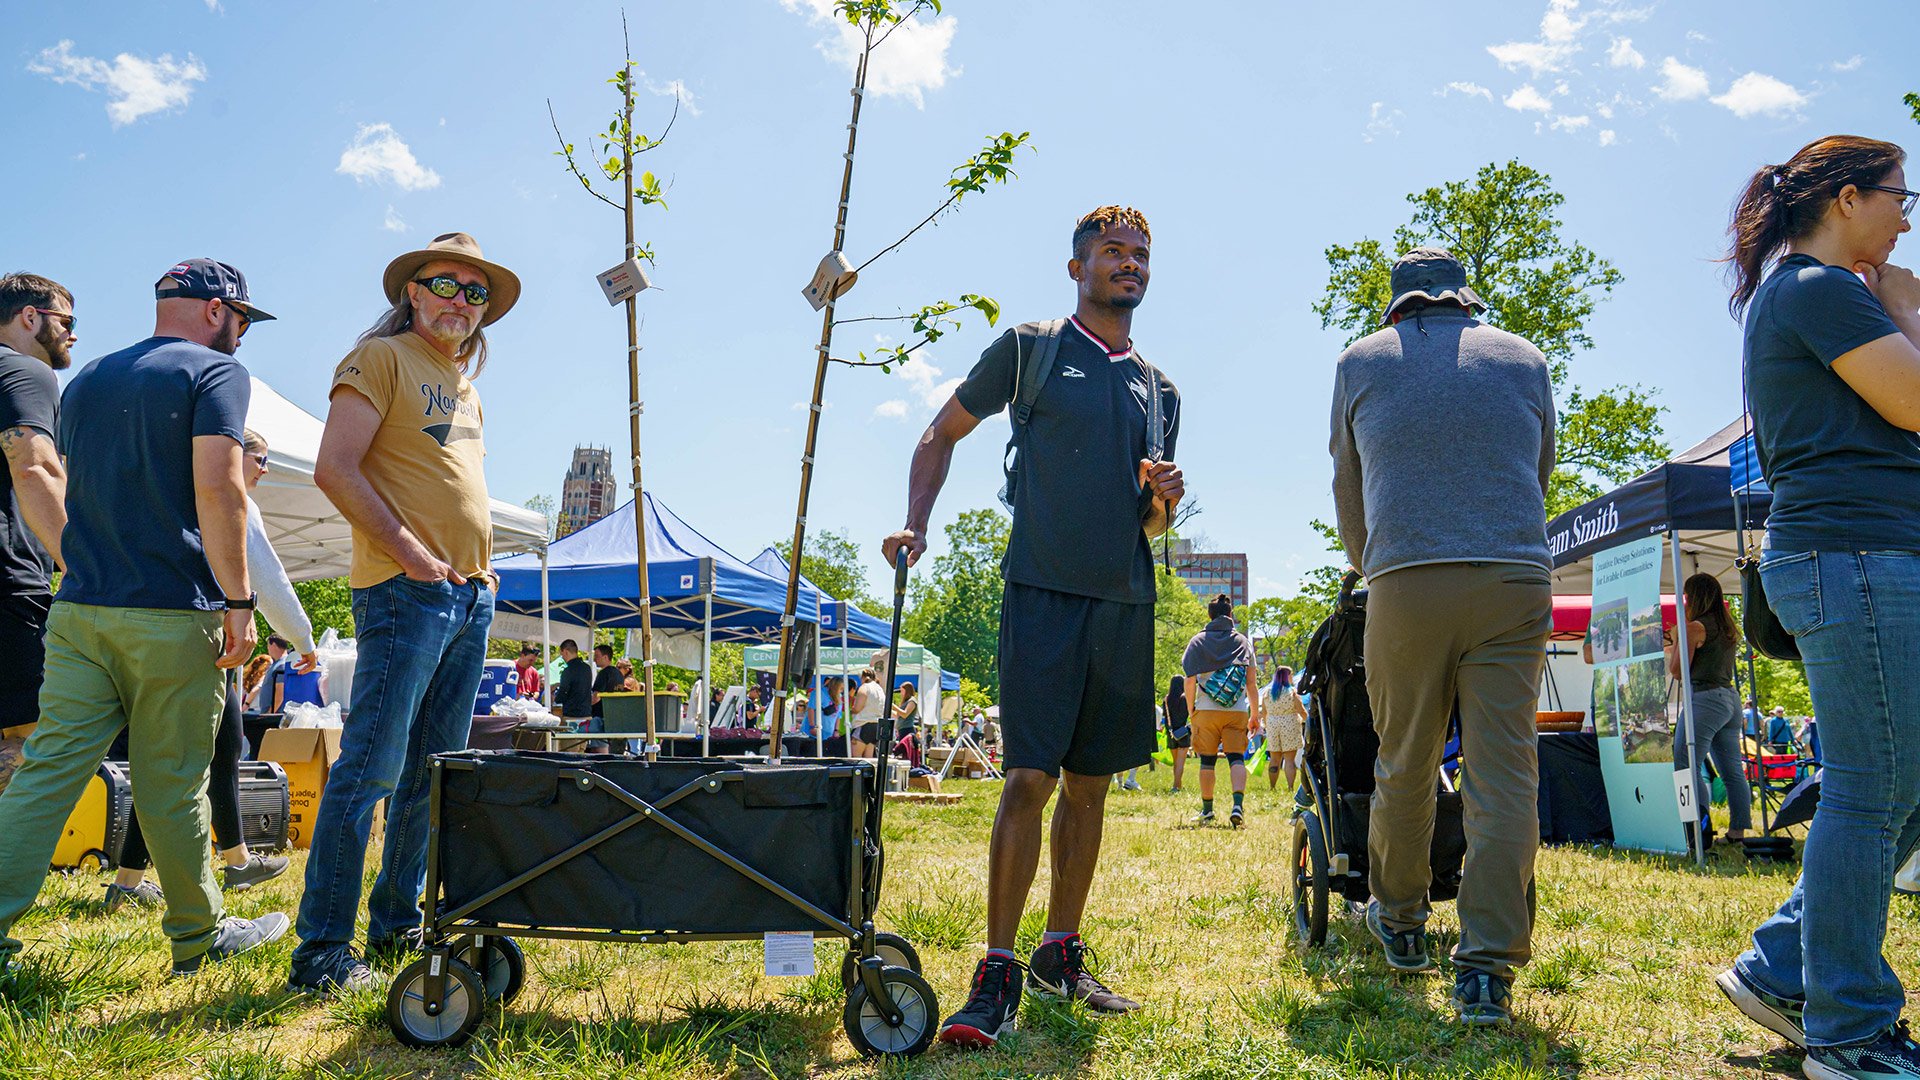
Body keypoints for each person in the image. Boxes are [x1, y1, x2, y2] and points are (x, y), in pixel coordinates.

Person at [886, 205, 1183, 1047]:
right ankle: (996, 970)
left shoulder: (1160, 390)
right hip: (1040, 594)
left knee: (1090, 784)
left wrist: (1161, 503)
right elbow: (939, 433)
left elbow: (1148, 529)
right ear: (1077, 267)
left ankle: (1060, 953)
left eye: (1140, 255)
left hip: (1125, 603)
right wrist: (917, 521)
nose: (1130, 264)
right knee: (1027, 779)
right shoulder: (1031, 348)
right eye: (1113, 252)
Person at [0, 258, 287, 977]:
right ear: (216, 311)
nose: (244, 336)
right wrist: (241, 600)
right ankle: (200, 936)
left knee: (46, 774)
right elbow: (220, 484)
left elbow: (54, 478)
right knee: (171, 782)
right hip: (171, 611)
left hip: (79, 610)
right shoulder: (215, 374)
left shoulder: (88, 375)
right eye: (243, 319)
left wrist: (82, 559)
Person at [1706, 135, 1920, 1075]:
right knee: (1873, 793)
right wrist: (1909, 311)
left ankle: (1788, 968)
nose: (1907, 214)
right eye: (1898, 195)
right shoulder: (1820, 290)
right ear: (1843, 199)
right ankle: (1850, 1030)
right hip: (1856, 555)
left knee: (1893, 787)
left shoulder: (1801, 291)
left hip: (1860, 554)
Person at [1331, 246, 1555, 1027]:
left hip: (1407, 579)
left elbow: (1347, 483)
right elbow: (1541, 467)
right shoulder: (1526, 359)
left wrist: (1374, 563)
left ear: (1398, 306)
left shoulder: (1360, 362)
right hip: (1516, 579)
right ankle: (1488, 968)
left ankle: (1398, 924)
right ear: (1465, 299)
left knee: (1406, 765)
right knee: (1505, 777)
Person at [289, 233, 513, 993]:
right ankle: (321, 952)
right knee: (371, 771)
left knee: (432, 777)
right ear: (411, 293)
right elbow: (334, 469)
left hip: (469, 597)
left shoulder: (467, 387)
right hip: (403, 590)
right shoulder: (380, 360)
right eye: (444, 283)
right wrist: (414, 554)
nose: (459, 299)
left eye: (474, 291)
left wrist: (476, 577)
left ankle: (394, 929)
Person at [112, 427, 317, 903]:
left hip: (171, 636)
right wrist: (303, 640)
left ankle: (233, 861)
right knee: (183, 762)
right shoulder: (231, 498)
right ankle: (149, 884)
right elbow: (270, 577)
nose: (264, 469)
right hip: (206, 640)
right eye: (260, 458)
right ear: (233, 453)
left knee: (213, 751)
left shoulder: (171, 492)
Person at [0, 274, 72, 729]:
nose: (72, 333)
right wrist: (84, 566)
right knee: (25, 742)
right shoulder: (25, 370)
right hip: (9, 588)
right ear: (31, 317)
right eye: (67, 320)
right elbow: (35, 468)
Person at [1667, 573, 1752, 846]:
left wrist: (1678, 637)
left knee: (1685, 764)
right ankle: (1737, 832)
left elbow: (1678, 671)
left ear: (1693, 597)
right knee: (1732, 770)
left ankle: (1698, 831)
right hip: (1729, 698)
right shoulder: (1727, 626)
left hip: (1704, 699)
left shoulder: (1694, 627)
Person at [1182, 594, 1259, 827]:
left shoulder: (1197, 641)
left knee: (1207, 760)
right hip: (1236, 710)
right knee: (1236, 758)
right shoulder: (1243, 642)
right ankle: (1237, 806)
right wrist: (1254, 715)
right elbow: (1251, 683)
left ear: (1210, 615)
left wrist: (1191, 709)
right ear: (1230, 615)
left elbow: (1189, 679)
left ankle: (1207, 810)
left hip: (1206, 709)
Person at [1264, 666, 1308, 792]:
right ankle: (1290, 788)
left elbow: (1264, 711)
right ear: (1286, 676)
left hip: (1272, 725)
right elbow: (1301, 710)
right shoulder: (1292, 692)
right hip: (1290, 724)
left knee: (1274, 759)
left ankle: (1272, 787)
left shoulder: (1267, 693)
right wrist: (1308, 720)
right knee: (1289, 759)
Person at [554, 640, 596, 749]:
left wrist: (555, 697)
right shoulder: (587, 669)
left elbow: (563, 693)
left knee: (568, 752)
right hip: (586, 716)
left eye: (562, 654)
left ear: (566, 652)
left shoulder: (568, 671)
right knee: (581, 750)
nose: (562, 657)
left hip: (571, 717)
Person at [590, 643, 625, 751]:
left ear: (605, 657)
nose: (595, 660)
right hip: (615, 717)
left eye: (597, 656)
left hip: (600, 716)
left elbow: (596, 697)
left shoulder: (603, 674)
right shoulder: (619, 674)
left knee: (599, 748)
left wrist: (584, 706)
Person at [248, 634, 294, 712]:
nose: (267, 648)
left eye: (268, 645)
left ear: (273, 645)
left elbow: (280, 694)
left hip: (274, 715)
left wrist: (270, 713)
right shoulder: (277, 664)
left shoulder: (282, 665)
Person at [1162, 674, 1191, 794]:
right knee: (1180, 763)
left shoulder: (1167, 699)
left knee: (1176, 763)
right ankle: (1175, 786)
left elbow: (1165, 716)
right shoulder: (1185, 698)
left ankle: (1178, 785)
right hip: (1183, 732)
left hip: (1171, 732)